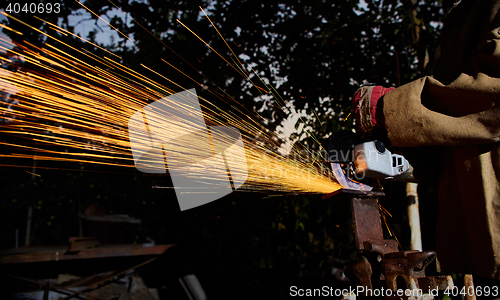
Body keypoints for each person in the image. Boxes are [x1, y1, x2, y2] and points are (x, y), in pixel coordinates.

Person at [353, 0, 500, 281]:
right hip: (482, 246)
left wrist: (392, 109)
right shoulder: (462, 16)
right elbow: (460, 133)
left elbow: (492, 95)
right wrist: (400, 151)